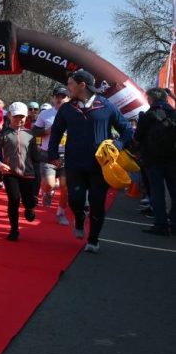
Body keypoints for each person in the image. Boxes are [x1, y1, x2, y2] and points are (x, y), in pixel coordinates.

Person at [47, 69, 133, 253]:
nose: (68, 88)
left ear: (82, 85)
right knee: (75, 200)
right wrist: (52, 154)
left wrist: (118, 144)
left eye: (70, 84)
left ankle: (93, 240)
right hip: (75, 164)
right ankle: (79, 218)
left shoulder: (106, 105)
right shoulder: (67, 109)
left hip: (101, 165)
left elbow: (127, 129)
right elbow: (55, 132)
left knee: (97, 202)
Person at [0, 102, 42, 241]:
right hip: (10, 172)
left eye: (21, 117)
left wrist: (49, 158)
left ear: (26, 117)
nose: (19, 119)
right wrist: (0, 164)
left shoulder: (30, 134)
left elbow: (36, 156)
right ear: (9, 116)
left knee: (28, 201)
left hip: (28, 173)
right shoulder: (3, 134)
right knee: (14, 199)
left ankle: (30, 208)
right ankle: (14, 229)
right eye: (16, 116)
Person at [134, 87, 176, 235]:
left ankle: (161, 224)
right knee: (174, 190)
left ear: (151, 99)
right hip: (173, 158)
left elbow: (137, 136)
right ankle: (174, 222)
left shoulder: (148, 115)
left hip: (152, 159)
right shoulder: (173, 113)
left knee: (157, 191)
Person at [32, 85, 70, 225]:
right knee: (49, 184)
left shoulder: (74, 113)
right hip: (48, 154)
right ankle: (47, 191)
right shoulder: (45, 114)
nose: (59, 99)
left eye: (63, 97)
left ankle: (61, 213)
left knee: (66, 186)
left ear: (68, 98)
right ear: (53, 98)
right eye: (57, 96)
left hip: (67, 155)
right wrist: (47, 131)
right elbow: (35, 132)